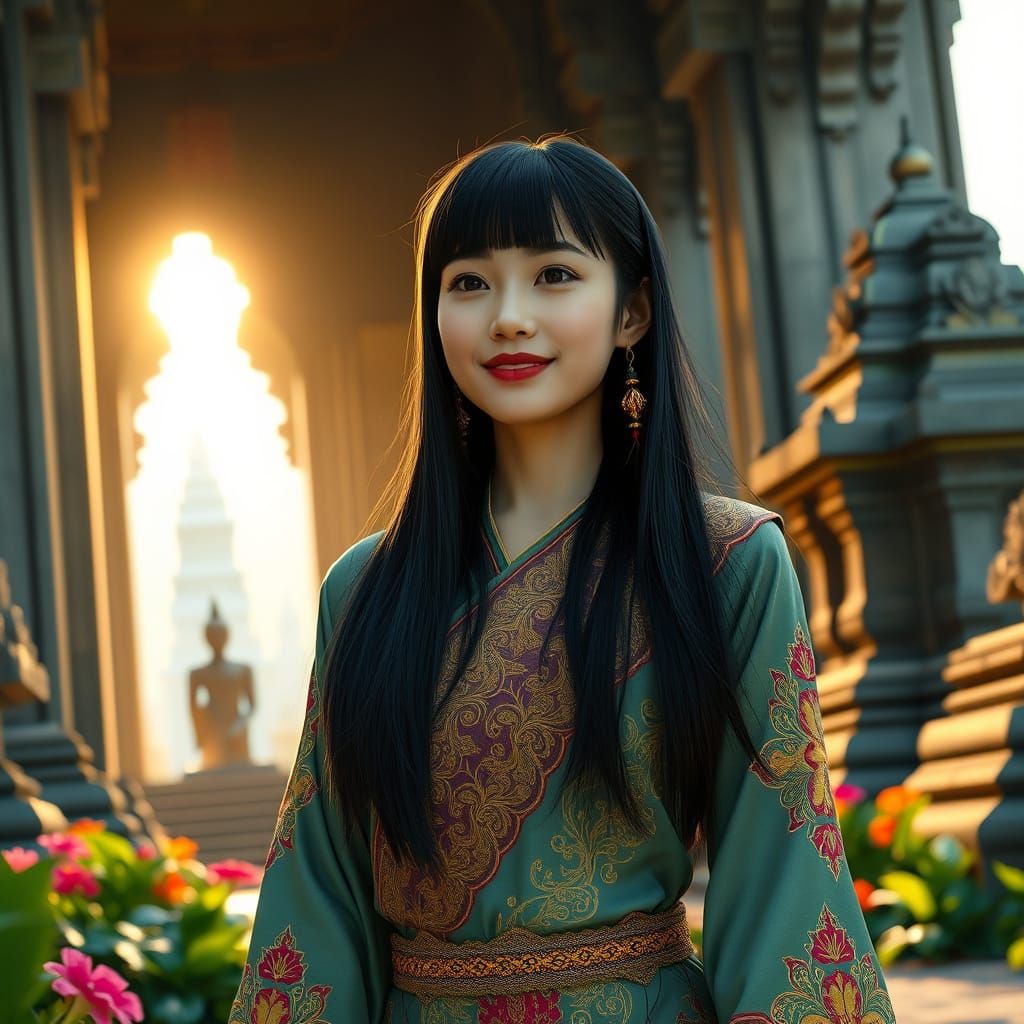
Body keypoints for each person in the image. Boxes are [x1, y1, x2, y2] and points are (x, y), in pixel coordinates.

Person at [229, 136, 895, 1024]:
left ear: (633, 312)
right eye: (469, 282)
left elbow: (784, 873)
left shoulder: (726, 563)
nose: (507, 316)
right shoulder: (364, 593)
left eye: (553, 275)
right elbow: (317, 897)